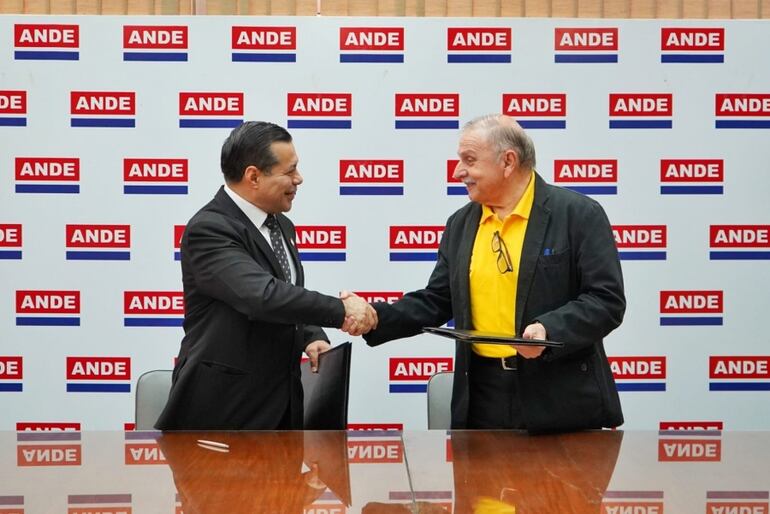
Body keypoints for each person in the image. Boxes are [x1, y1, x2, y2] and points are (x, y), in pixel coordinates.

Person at [362, 114, 625, 432]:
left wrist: (548, 331)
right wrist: (375, 317)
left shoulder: (578, 214)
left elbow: (605, 300)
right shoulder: (461, 223)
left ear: (508, 161)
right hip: (481, 396)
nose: (459, 172)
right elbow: (437, 300)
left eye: (469, 161)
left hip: (560, 399)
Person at [155, 121, 376, 431]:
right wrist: (341, 311)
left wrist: (311, 335)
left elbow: (286, 293)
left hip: (281, 410)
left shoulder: (281, 226)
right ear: (253, 176)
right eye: (290, 171)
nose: (299, 179)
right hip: (222, 415)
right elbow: (262, 296)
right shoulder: (209, 229)